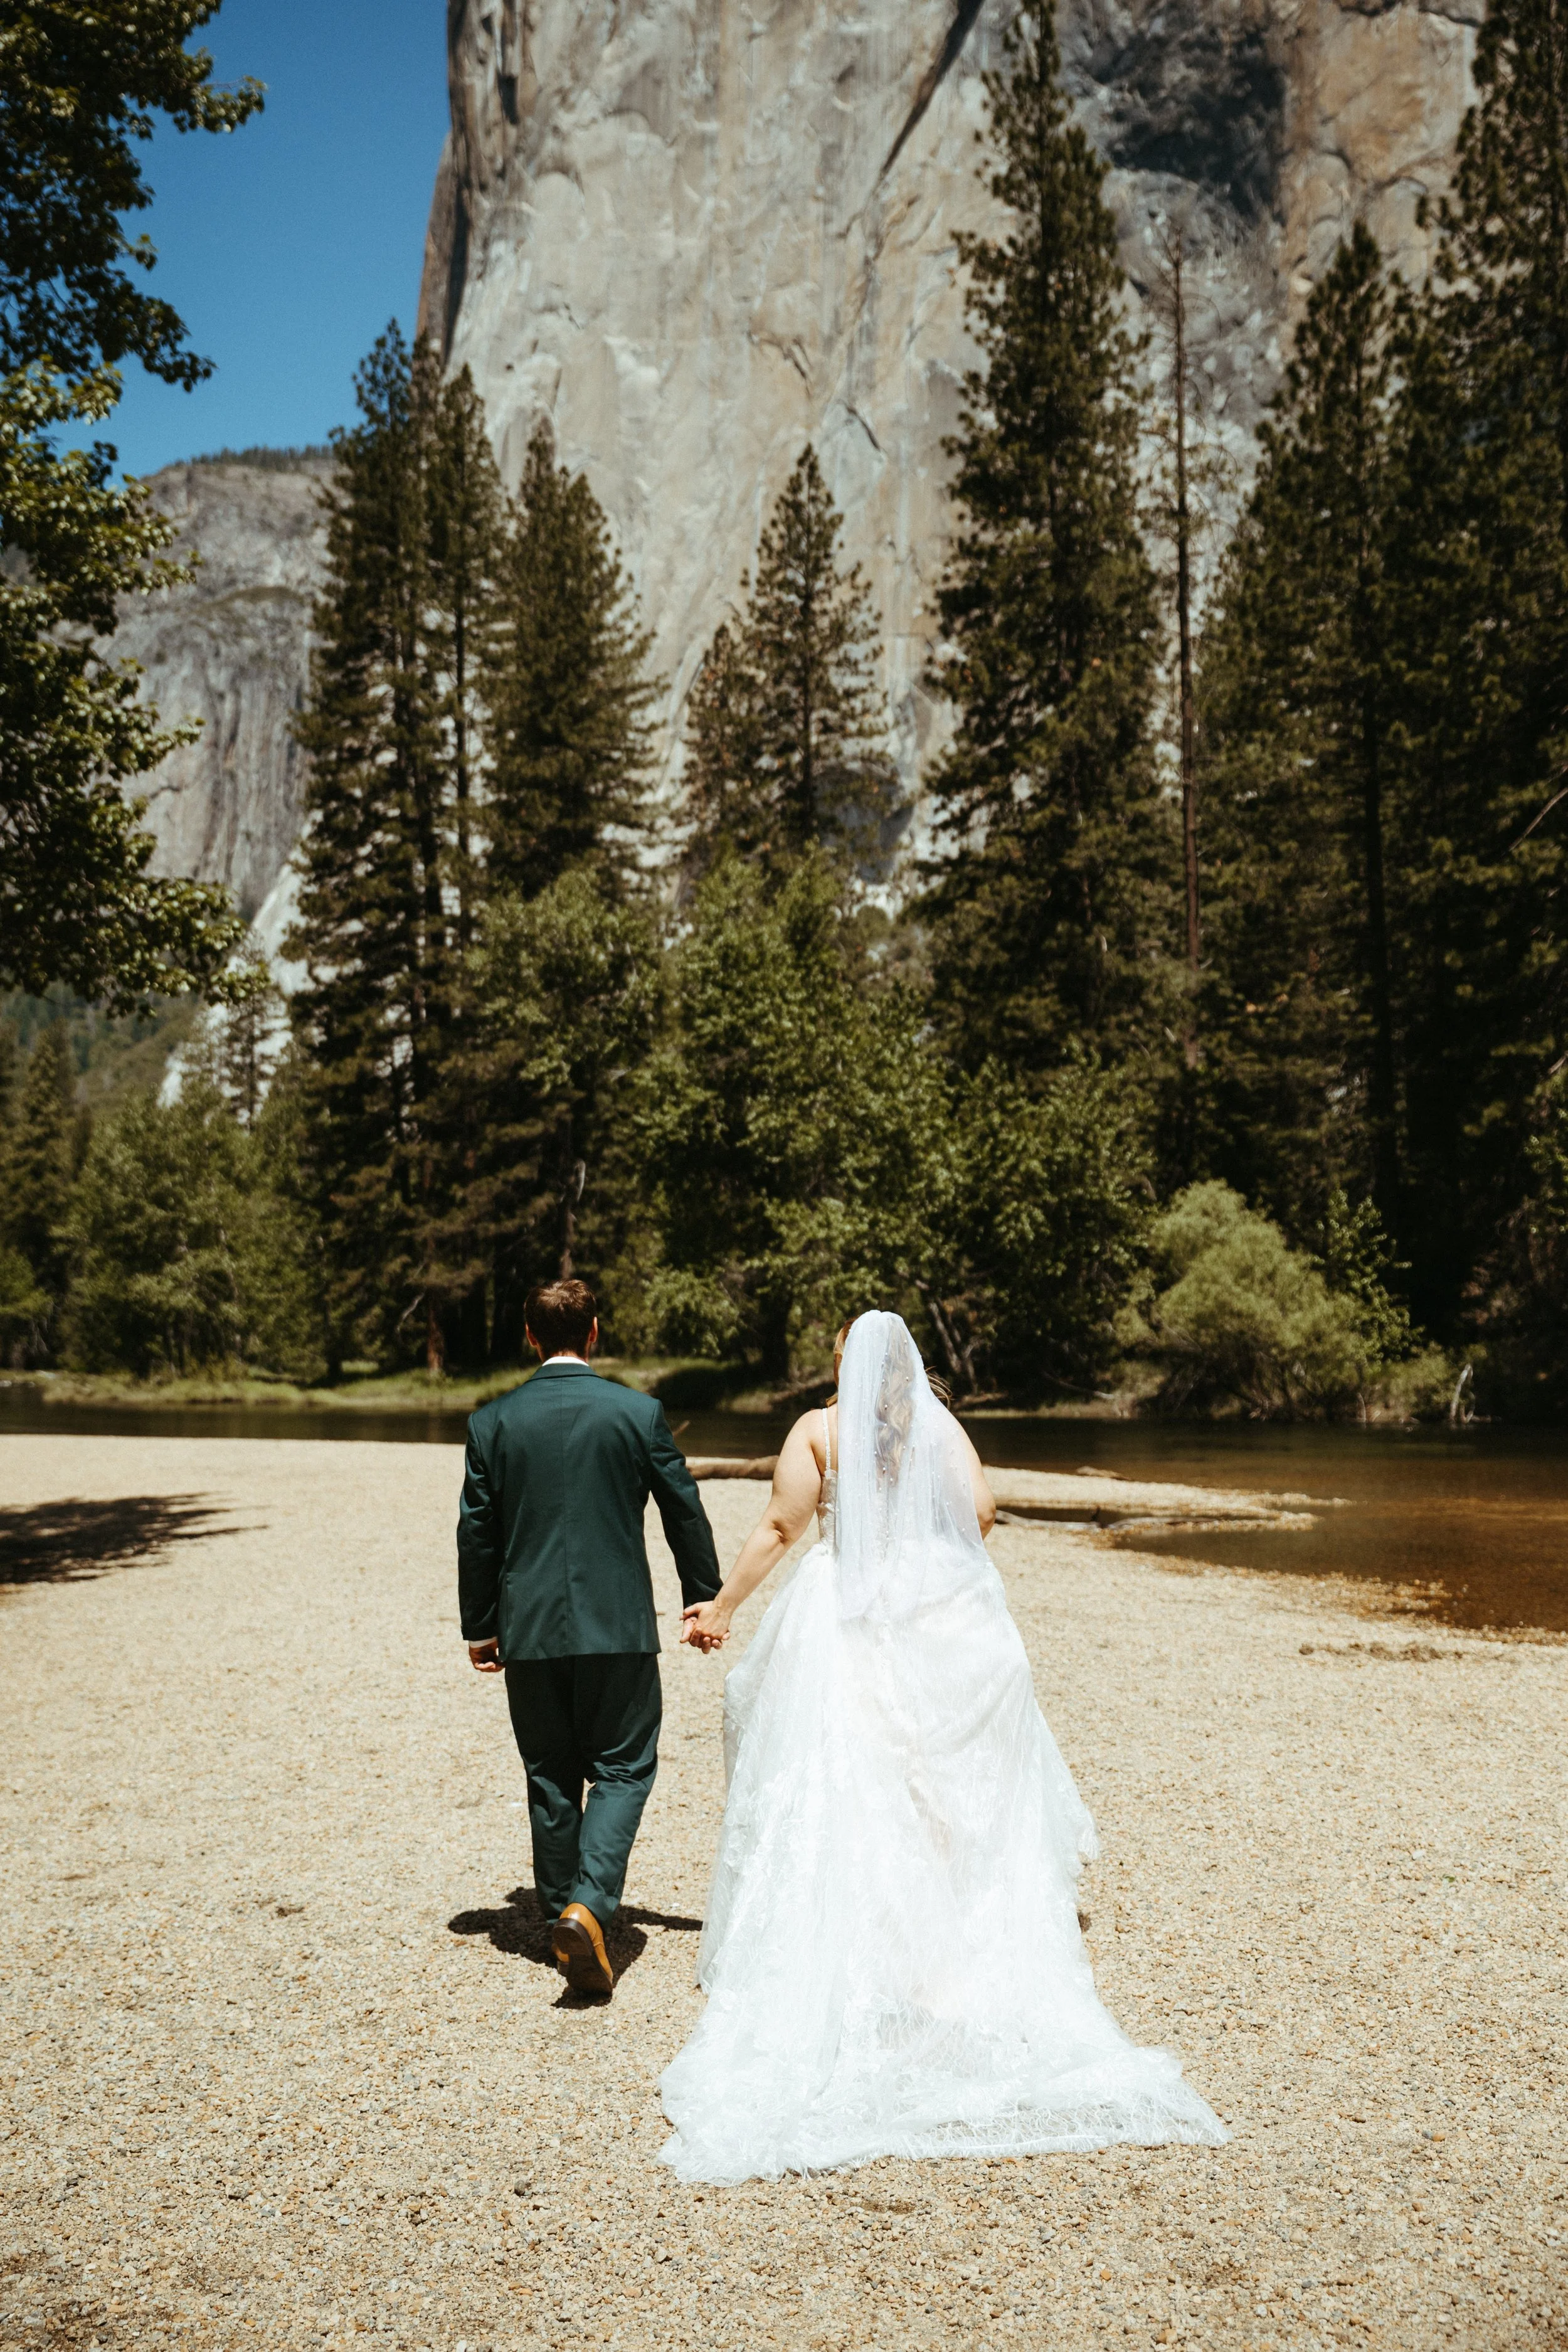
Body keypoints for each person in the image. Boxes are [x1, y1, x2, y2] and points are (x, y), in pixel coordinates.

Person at [662, 1309, 1227, 2181]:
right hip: (934, 1612)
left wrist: (724, 1607)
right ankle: (939, 1955)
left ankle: (862, 1946)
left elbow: (779, 1528)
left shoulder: (819, 1430)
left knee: (844, 1778)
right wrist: (922, 1547)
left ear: (840, 1365)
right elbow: (986, 1511)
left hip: (843, 1614)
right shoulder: (936, 1424)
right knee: (931, 1787)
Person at [457, 1277, 721, 1998]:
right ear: (595, 1331)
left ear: (529, 1334)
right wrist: (703, 1594)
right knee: (625, 1768)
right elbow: (683, 1509)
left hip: (529, 1626)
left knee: (549, 1772)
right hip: (618, 1625)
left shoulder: (493, 1423)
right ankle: (589, 1908)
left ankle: (559, 1920)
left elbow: (476, 1534)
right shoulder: (637, 1413)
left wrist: (480, 1625)